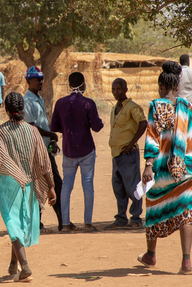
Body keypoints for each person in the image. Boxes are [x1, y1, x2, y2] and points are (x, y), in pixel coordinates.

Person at [137, 66, 192, 274]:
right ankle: (186, 262)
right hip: (186, 170)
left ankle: (151, 255)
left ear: (161, 86)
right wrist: (185, 150)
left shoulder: (156, 106)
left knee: (154, 209)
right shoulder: (188, 107)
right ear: (177, 86)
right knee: (187, 214)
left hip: (161, 173)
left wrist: (148, 165)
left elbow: (151, 136)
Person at [0, 92, 57, 283]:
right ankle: (13, 265)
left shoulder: (0, 132)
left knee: (12, 222)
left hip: (8, 184)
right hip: (28, 183)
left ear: (6, 110)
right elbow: (44, 161)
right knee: (18, 222)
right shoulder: (33, 131)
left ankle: (25, 267)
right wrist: (50, 186)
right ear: (23, 109)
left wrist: (9, 170)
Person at [50, 71, 105, 232]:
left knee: (66, 186)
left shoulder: (60, 103)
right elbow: (97, 127)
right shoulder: (88, 103)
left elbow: (54, 127)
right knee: (87, 185)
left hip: (68, 150)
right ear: (82, 85)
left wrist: (67, 129)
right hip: (86, 149)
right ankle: (87, 223)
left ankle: (65, 224)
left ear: (69, 85)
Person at [23, 66, 63, 231]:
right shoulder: (27, 101)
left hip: (45, 148)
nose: (40, 81)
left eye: (41, 79)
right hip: (36, 150)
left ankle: (58, 221)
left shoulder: (38, 98)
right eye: (37, 79)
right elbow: (32, 126)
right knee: (51, 184)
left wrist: (50, 139)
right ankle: (60, 221)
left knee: (48, 184)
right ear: (28, 81)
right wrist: (51, 135)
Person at [107, 78, 147, 230]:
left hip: (128, 153)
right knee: (119, 188)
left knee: (133, 187)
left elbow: (143, 123)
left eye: (118, 89)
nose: (115, 92)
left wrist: (130, 145)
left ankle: (136, 218)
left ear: (125, 90)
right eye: (113, 89)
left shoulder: (132, 107)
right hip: (116, 154)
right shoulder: (114, 108)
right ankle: (121, 218)